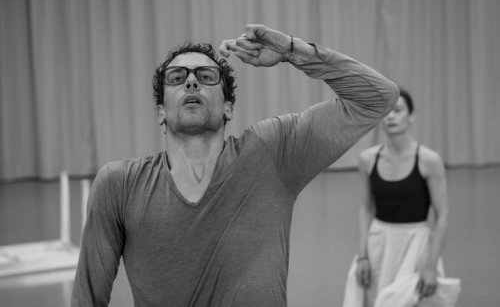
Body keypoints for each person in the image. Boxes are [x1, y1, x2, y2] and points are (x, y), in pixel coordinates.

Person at [71, 24, 398, 307]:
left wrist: (293, 51)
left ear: (228, 108)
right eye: (177, 77)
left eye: (206, 76)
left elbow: (378, 97)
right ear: (160, 112)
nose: (191, 83)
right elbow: (87, 299)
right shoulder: (120, 185)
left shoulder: (272, 153)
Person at [342, 87, 450, 307]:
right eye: (386, 111)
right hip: (379, 246)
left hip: (417, 246)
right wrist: (362, 256)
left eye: (398, 110)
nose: (390, 116)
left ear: (411, 116)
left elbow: (442, 215)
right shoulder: (367, 159)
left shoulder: (429, 160)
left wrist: (430, 267)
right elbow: (366, 209)